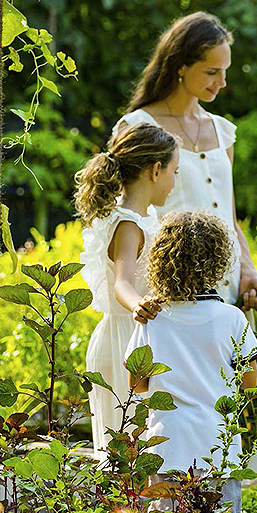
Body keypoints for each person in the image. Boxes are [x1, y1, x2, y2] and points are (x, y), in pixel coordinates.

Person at [115, 11, 257, 310]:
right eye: (212, 72)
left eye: (225, 71)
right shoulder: (138, 125)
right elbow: (127, 213)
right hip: (170, 289)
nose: (222, 82)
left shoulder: (222, 131)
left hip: (228, 288)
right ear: (181, 67)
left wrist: (247, 270)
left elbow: (230, 217)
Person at [126, 210, 257, 513]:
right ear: (219, 263)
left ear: (160, 261)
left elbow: (137, 384)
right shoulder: (232, 319)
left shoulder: (152, 317)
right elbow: (249, 381)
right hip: (217, 448)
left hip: (167, 444)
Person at [74, 122, 179, 460]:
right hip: (124, 338)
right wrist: (139, 305)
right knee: (127, 452)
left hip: (136, 336)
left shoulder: (143, 217)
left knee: (139, 446)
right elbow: (122, 281)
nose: (175, 182)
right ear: (156, 170)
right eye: (174, 171)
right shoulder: (128, 223)